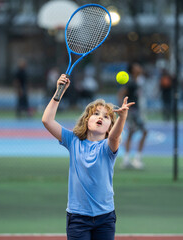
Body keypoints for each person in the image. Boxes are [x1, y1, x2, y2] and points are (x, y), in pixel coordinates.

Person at [42, 74, 134, 240]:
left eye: (106, 117)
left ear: (109, 128)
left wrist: (122, 118)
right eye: (96, 114)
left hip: (105, 217)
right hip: (77, 217)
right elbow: (47, 121)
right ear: (86, 120)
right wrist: (59, 92)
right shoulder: (73, 141)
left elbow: (114, 137)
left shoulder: (107, 147)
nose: (100, 117)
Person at [118, 62, 148, 170]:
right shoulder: (131, 83)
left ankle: (127, 159)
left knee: (131, 133)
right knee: (144, 132)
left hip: (136, 111)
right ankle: (136, 159)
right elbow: (121, 93)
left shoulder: (137, 81)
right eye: (136, 66)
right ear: (133, 70)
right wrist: (123, 108)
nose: (139, 67)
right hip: (133, 112)